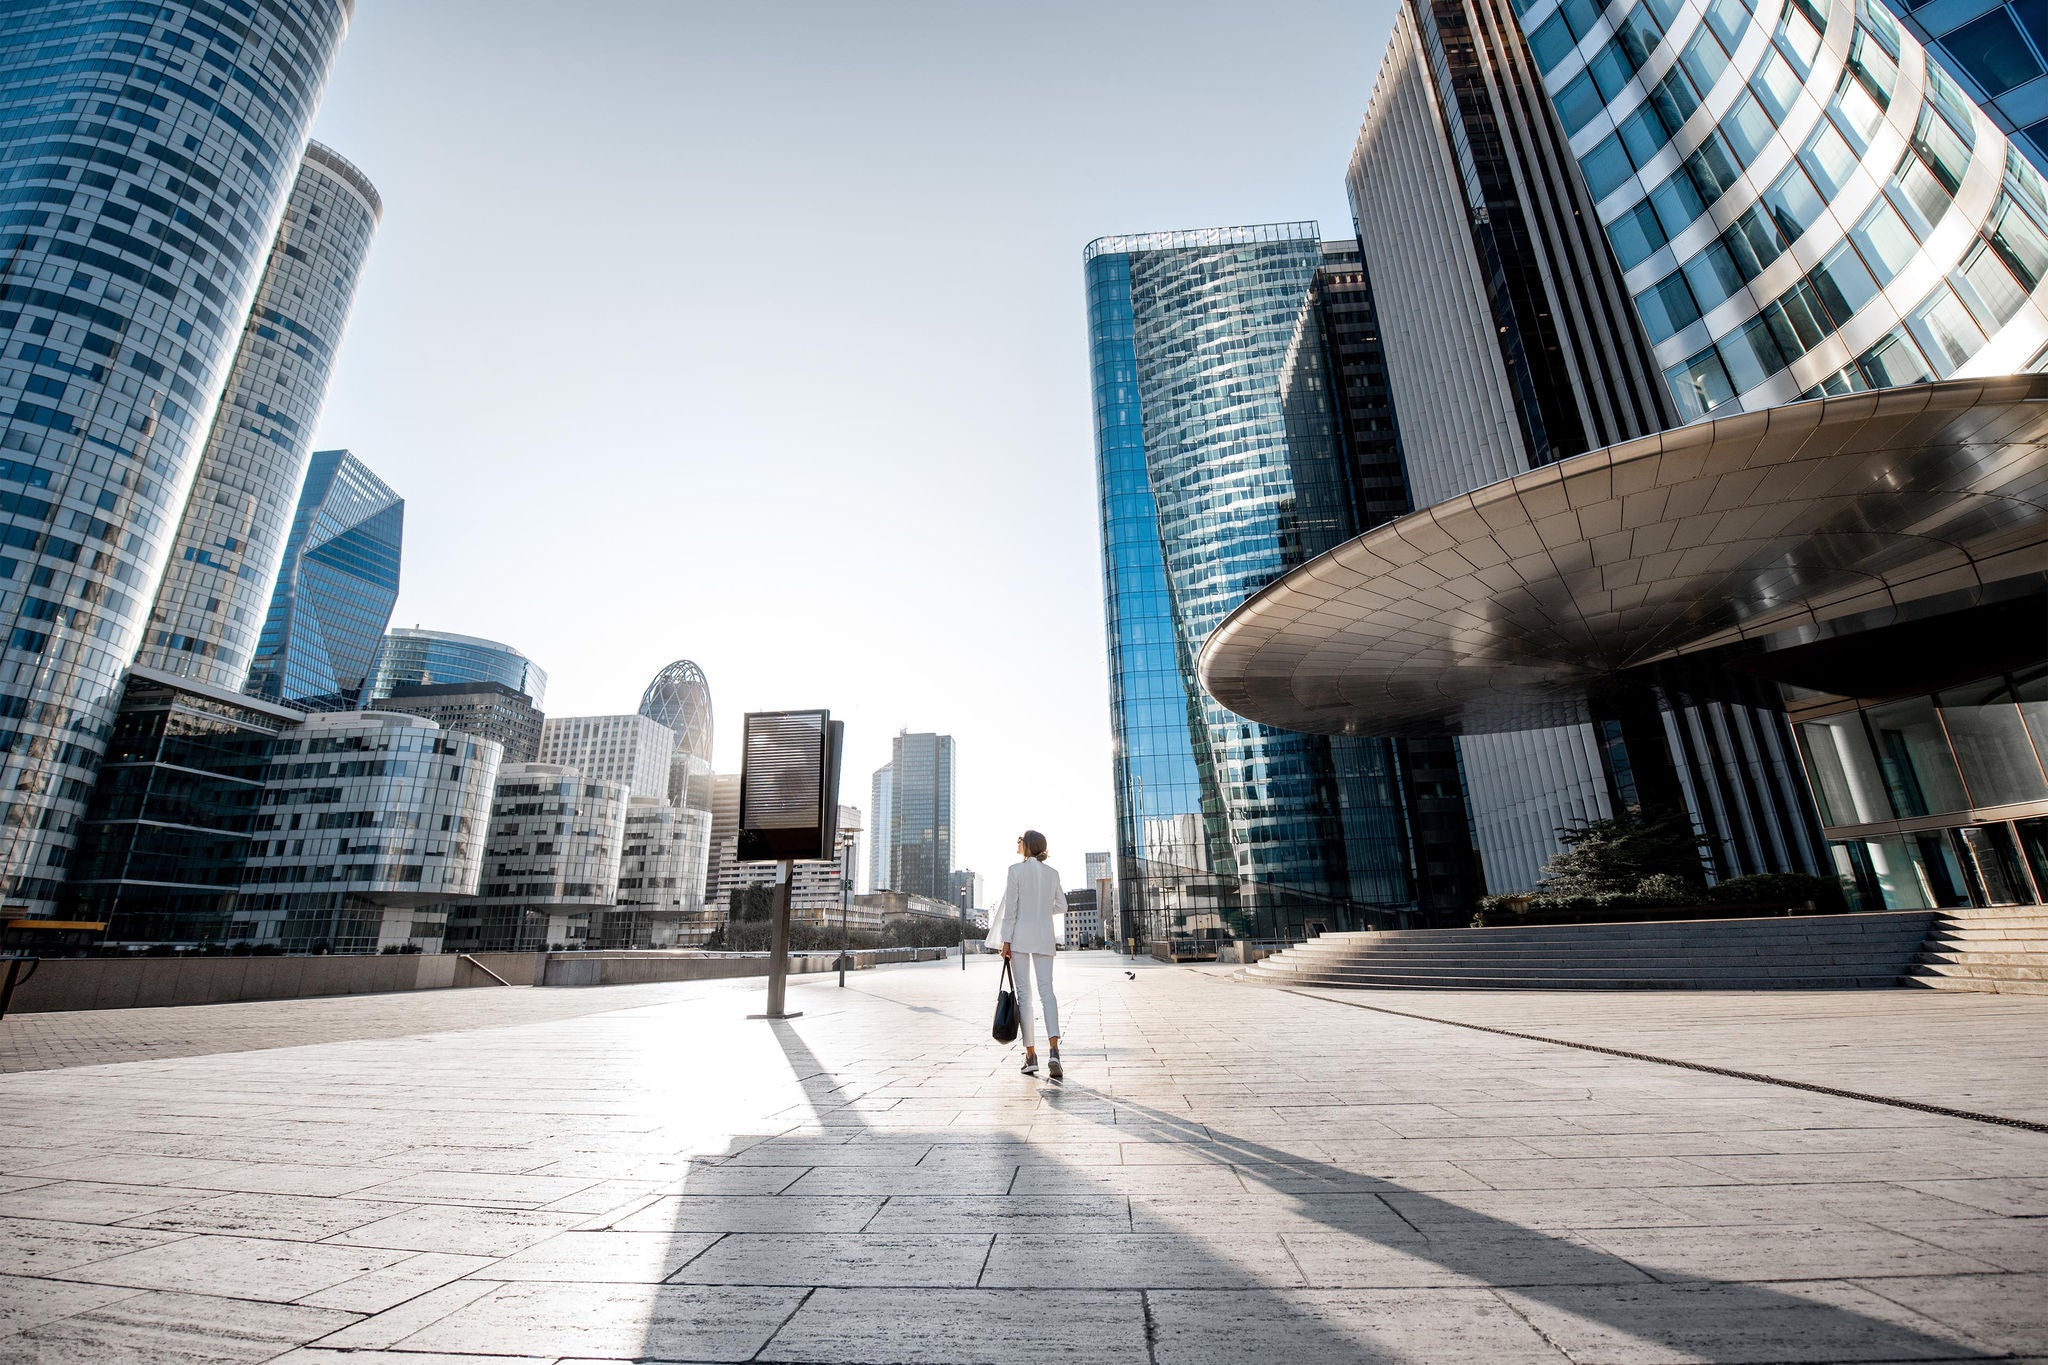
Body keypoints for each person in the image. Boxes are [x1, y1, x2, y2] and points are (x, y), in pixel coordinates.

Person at [991, 829, 1064, 1078]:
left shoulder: (1015, 871)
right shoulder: (1052, 874)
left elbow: (1011, 910)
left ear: (1028, 845)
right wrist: (1042, 910)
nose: (1018, 843)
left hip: (1020, 937)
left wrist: (1006, 941)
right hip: (1045, 936)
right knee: (1047, 992)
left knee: (1025, 996)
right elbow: (1062, 905)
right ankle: (1054, 1051)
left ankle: (1031, 1056)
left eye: (1020, 839)